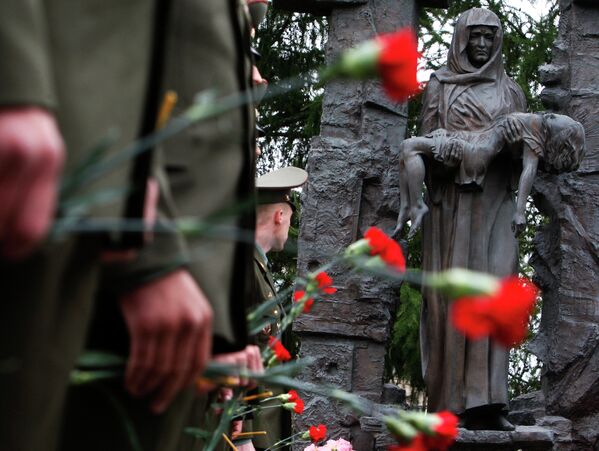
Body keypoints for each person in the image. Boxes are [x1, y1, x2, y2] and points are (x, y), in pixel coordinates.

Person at [57, 0, 260, 450]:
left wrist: (221, 333)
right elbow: (106, 47)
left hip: (176, 317)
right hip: (113, 269)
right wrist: (151, 259)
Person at [414, 8, 528, 430]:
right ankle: (450, 403)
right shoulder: (440, 88)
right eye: (474, 37)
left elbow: (527, 154)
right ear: (461, 40)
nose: (481, 46)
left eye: (489, 38)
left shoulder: (512, 92)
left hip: (496, 203)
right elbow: (420, 148)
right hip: (453, 209)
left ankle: (491, 402)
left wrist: (512, 145)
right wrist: (442, 147)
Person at [395, 112, 586, 238]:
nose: (551, 115)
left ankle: (416, 205)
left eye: (558, 119)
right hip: (470, 140)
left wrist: (519, 212)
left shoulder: (535, 129)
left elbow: (529, 170)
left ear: (559, 135)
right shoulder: (535, 123)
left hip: (476, 155)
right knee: (407, 148)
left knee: (410, 147)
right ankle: (408, 205)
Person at [249, 166, 308, 450]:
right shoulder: (245, 268)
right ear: (279, 215)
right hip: (248, 437)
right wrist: (244, 435)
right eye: (289, 217)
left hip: (264, 433)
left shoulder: (258, 267)